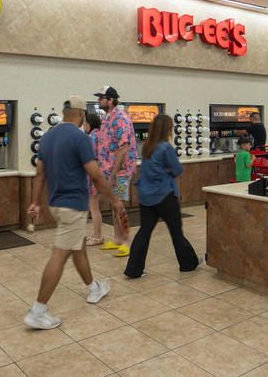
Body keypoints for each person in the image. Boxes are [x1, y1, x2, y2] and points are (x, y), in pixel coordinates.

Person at [25, 95, 124, 330]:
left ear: (63, 111)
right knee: (60, 255)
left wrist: (35, 203)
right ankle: (38, 311)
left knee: (77, 247)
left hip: (55, 204)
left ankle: (93, 288)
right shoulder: (81, 138)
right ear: (81, 114)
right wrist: (115, 199)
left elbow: (40, 174)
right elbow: (96, 175)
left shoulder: (47, 137)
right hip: (73, 205)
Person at [124, 114, 201, 278]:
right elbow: (178, 170)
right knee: (176, 232)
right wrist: (168, 170)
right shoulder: (165, 147)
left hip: (147, 198)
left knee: (144, 232)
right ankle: (188, 264)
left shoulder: (147, 147)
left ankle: (133, 269)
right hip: (165, 196)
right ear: (167, 129)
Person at [94, 85, 137, 257]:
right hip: (109, 170)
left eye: (101, 98)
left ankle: (127, 241)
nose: (99, 101)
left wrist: (114, 173)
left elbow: (123, 147)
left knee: (120, 206)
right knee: (114, 204)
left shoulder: (120, 118)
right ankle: (118, 238)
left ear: (110, 100)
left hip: (121, 171)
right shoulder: (107, 117)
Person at [84, 113, 104, 246]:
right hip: (98, 174)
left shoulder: (91, 137)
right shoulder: (99, 135)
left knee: (93, 207)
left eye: (84, 123)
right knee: (94, 206)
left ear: (89, 124)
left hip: (93, 175)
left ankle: (97, 236)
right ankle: (96, 234)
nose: (83, 125)